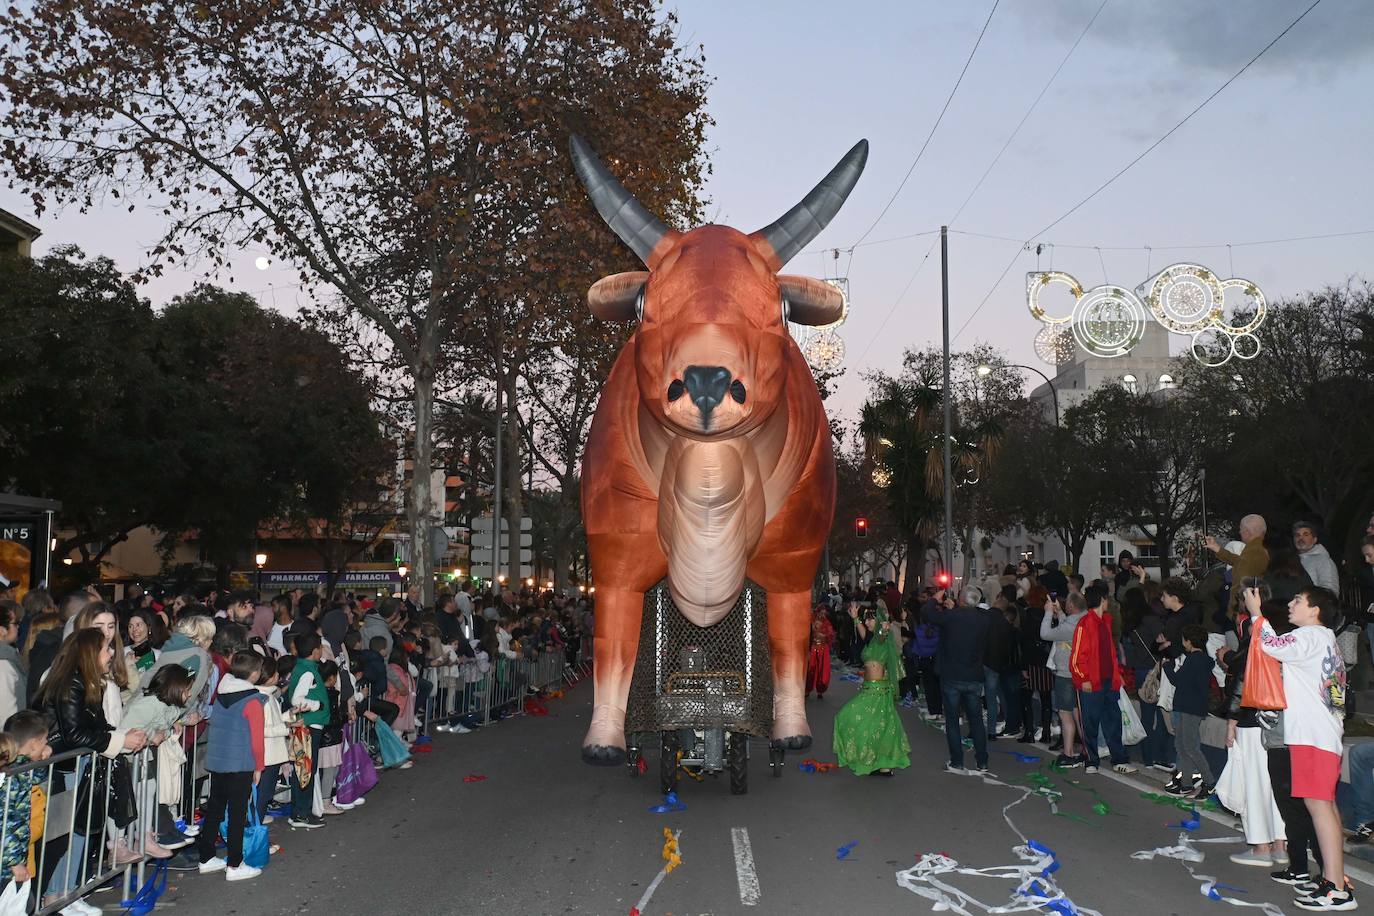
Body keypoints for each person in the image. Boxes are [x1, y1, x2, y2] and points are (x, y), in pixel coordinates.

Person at [1247, 585, 1355, 911]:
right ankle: (1332, 879)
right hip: (1320, 736)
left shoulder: (1309, 636)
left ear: (1315, 610)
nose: (1291, 604)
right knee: (1324, 808)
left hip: (1313, 737)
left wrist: (1256, 612)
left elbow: (1270, 645)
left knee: (1319, 808)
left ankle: (1336, 888)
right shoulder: (1320, 638)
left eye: (1298, 600)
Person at [35, 629, 148, 912]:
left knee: (81, 831)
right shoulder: (71, 683)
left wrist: (124, 735)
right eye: (106, 648)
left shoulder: (84, 682)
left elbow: (95, 726)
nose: (111, 654)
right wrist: (121, 740)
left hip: (77, 764)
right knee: (69, 834)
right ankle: (56, 895)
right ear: (89, 652)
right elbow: (74, 734)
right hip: (64, 768)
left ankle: (68, 893)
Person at [197, 650, 267, 882]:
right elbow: (257, 739)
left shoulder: (221, 694)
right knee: (237, 813)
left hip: (218, 761)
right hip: (240, 763)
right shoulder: (252, 700)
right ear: (255, 674)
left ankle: (206, 857)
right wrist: (259, 766)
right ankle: (235, 864)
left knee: (215, 809)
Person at [832, 605, 909, 776]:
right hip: (871, 688)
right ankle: (882, 765)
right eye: (866, 618)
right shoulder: (872, 639)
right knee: (879, 725)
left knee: (847, 716)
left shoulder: (881, 637)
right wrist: (855, 618)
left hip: (876, 690)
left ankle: (882, 764)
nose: (866, 622)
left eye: (870, 618)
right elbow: (863, 633)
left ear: (879, 621)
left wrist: (885, 627)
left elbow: (882, 635)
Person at [1069, 585, 1137, 776]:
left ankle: (1119, 759)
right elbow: (1076, 658)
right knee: (1090, 722)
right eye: (1107, 598)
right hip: (1091, 683)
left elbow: (1110, 654)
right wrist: (1083, 679)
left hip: (1109, 681)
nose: (1109, 602)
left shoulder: (1106, 621)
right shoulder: (1084, 624)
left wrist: (1117, 675)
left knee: (1113, 721)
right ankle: (1091, 759)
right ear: (1102, 599)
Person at [924, 587, 992, 775]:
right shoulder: (984, 620)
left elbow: (928, 614)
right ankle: (982, 761)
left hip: (952, 675)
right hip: (973, 675)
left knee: (953, 720)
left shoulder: (951, 617)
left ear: (960, 600)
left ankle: (957, 761)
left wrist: (934, 600)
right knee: (976, 720)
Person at [1162, 624, 1215, 799]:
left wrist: (1167, 666)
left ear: (1189, 641)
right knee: (1184, 746)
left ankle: (1209, 782)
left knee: (1189, 747)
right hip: (1193, 707)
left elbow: (1177, 680)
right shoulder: (1203, 660)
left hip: (1188, 708)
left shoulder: (1194, 659)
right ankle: (1186, 784)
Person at [1, 710, 51, 890]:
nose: (47, 744)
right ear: (33, 744)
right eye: (44, 741)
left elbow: (36, 776)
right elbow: (7, 821)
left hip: (15, 854)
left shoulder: (20, 767)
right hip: (6, 863)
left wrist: (42, 757)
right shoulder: (12, 779)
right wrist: (14, 862)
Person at [287, 633, 330, 830]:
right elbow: (297, 699)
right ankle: (301, 814)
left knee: (302, 770)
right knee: (306, 771)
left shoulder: (304, 668)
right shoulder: (308, 672)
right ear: (314, 652)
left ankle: (298, 812)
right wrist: (317, 705)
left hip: (307, 726)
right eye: (320, 647)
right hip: (310, 726)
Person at [1041, 592, 1087, 765]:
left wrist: (1047, 612)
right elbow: (1065, 627)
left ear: (1071, 607)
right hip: (1080, 674)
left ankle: (1068, 753)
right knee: (1078, 713)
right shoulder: (1084, 620)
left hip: (1066, 674)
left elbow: (1046, 633)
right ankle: (1087, 751)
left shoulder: (1071, 626)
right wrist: (1059, 613)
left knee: (1065, 713)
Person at [1206, 514, 1269, 617]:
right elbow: (1239, 562)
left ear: (1247, 532)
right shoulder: (1258, 550)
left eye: (1241, 529)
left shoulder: (1254, 551)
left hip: (1244, 612)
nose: (1239, 532)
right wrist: (1217, 548)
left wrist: (1234, 610)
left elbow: (1240, 582)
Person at [983, 587, 1021, 739]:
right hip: (998, 663)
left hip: (985, 661)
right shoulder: (1006, 624)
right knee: (996, 695)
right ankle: (995, 728)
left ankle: (988, 728)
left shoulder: (986, 617)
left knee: (987, 696)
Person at [1292, 521, 1340, 595]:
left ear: (1314, 539)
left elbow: (1330, 590)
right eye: (1297, 535)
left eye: (1306, 534)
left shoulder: (1324, 561)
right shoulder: (1290, 560)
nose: (1300, 538)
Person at [0, 602, 25, 724]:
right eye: (15, 624)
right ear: (2, 630)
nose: (18, 627)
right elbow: (7, 714)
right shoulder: (3, 663)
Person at [805, 604, 834, 700]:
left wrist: (823, 636)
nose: (822, 615)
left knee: (822, 670)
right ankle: (807, 689)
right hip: (813, 648)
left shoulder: (827, 623)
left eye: (824, 614)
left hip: (823, 649)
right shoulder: (811, 621)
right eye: (821, 613)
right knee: (810, 670)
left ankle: (820, 690)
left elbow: (830, 636)